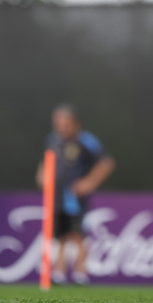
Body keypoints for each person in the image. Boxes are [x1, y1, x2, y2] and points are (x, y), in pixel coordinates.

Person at [36, 105, 115, 285]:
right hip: (55, 196)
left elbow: (106, 162)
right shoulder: (52, 140)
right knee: (60, 235)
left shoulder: (86, 140)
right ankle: (59, 273)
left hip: (73, 197)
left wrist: (90, 182)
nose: (62, 128)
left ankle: (81, 273)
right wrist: (41, 175)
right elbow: (45, 160)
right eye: (58, 124)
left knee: (77, 234)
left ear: (75, 123)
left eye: (65, 124)